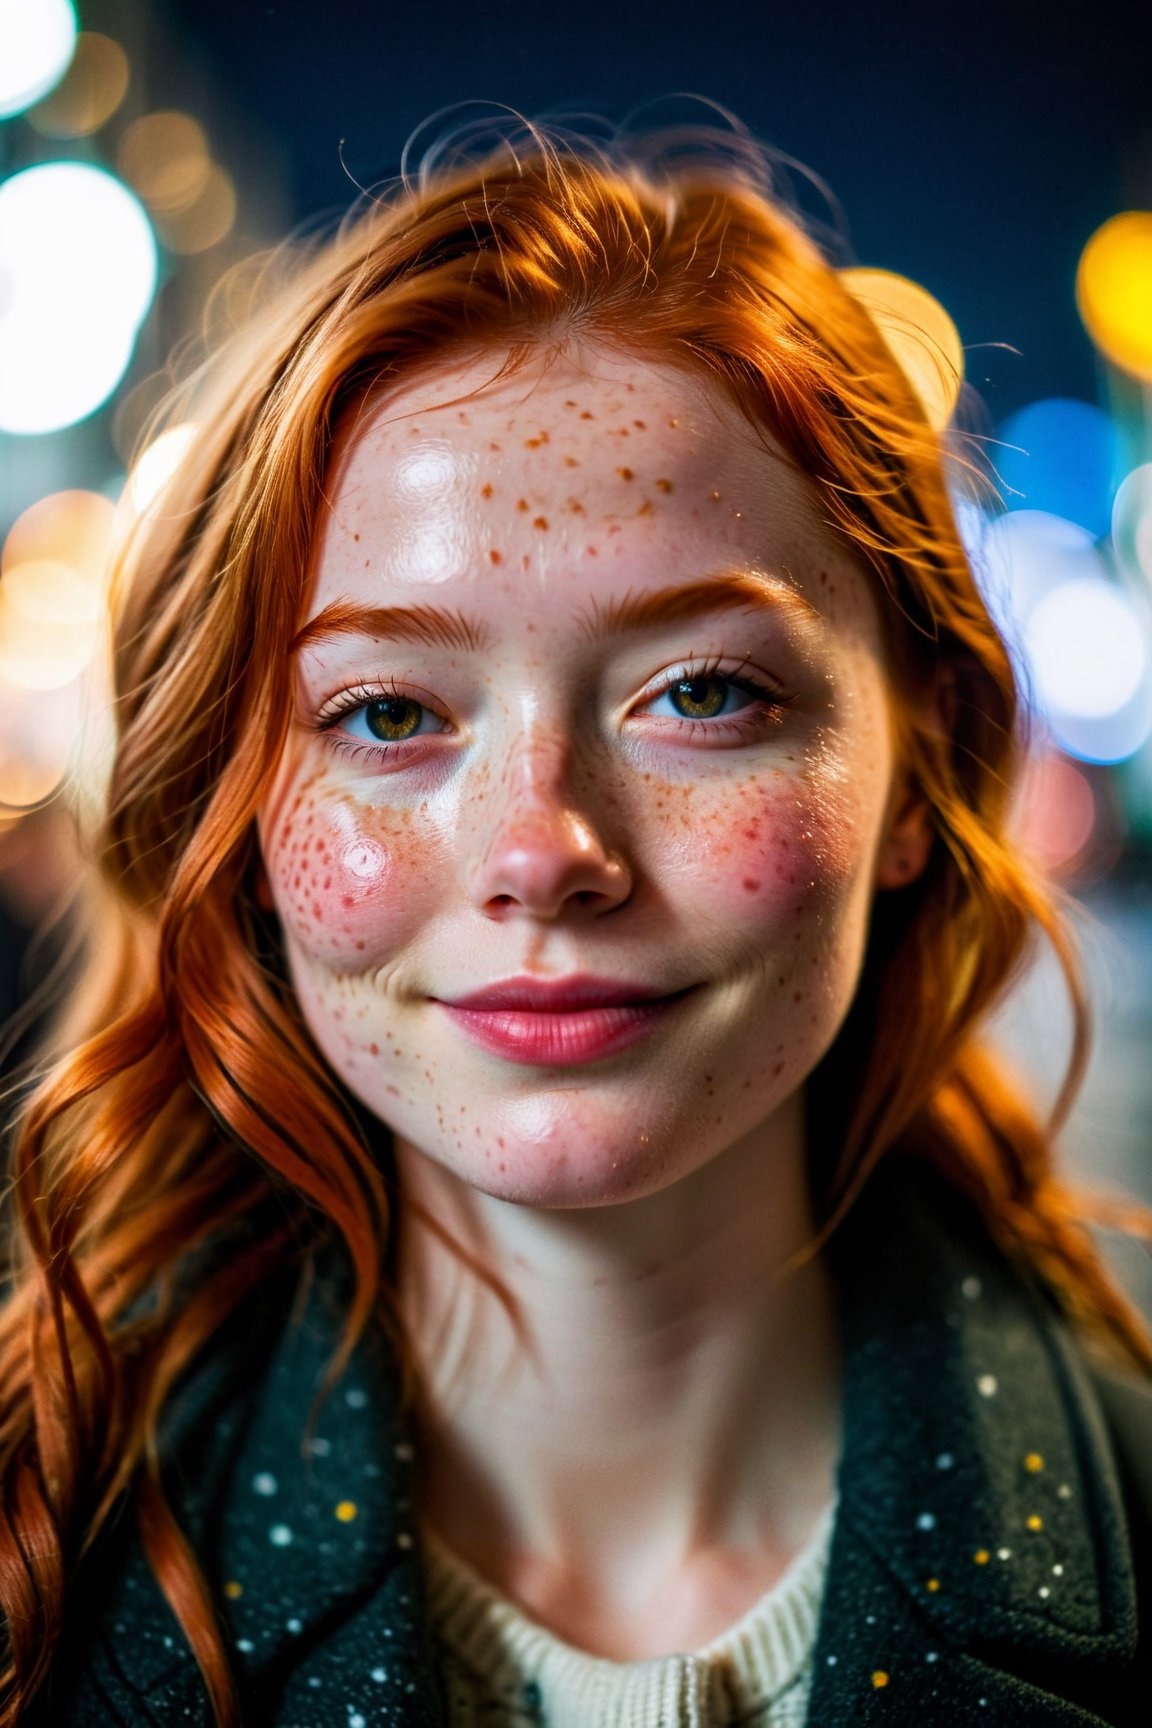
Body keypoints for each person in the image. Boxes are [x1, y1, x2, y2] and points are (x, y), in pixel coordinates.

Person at [1, 122, 1149, 1728]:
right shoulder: (34, 1581)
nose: (543, 852)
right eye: (391, 711)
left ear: (919, 770)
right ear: (238, 820)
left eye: (703, 693)